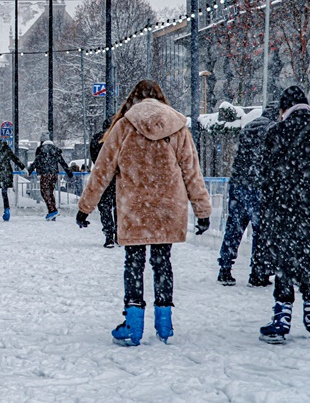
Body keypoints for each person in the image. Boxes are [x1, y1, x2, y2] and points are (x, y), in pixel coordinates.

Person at [76, 80, 211, 347]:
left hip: (134, 207)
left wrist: (85, 207)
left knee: (134, 264)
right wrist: (202, 209)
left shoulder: (124, 126)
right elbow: (191, 171)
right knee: (163, 263)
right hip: (167, 207)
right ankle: (165, 322)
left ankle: (133, 325)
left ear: (134, 98)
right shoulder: (177, 127)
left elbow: (102, 170)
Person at [258, 86, 310, 343]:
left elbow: (266, 176)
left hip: (286, 210)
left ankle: (282, 317)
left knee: (285, 261)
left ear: (284, 109)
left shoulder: (276, 132)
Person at [218, 103, 279, 286]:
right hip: (258, 185)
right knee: (261, 230)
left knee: (234, 227)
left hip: (238, 182)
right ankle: (258, 273)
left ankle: (225, 268)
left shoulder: (249, 126)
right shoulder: (273, 128)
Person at [28, 139, 73, 222]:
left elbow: (36, 162)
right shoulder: (55, 151)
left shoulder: (42, 150)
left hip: (45, 174)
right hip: (54, 174)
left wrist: (29, 171)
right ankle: (52, 212)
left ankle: (52, 211)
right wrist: (69, 172)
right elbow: (62, 162)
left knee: (44, 192)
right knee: (50, 193)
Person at [90, 118, 116, 248]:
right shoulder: (121, 138)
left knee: (105, 206)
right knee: (120, 207)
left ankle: (108, 235)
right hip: (119, 177)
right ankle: (119, 233)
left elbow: (93, 156)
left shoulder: (97, 138)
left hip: (103, 176)